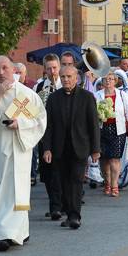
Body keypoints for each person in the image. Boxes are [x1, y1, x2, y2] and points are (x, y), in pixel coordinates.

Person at [0, 56, 46, 249]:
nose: (1, 72)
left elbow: (40, 121)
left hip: (19, 148)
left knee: (17, 191)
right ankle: (1, 235)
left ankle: (19, 232)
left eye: (4, 68)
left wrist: (19, 123)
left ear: (13, 69)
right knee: (0, 191)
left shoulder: (26, 94)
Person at [44, 66, 100, 228]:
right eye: (63, 77)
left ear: (76, 78)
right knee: (63, 183)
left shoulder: (87, 97)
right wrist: (47, 148)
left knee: (76, 181)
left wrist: (96, 149)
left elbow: (93, 124)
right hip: (59, 148)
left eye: (69, 76)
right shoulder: (53, 98)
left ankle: (75, 216)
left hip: (80, 147)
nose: (66, 79)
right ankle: (69, 214)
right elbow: (49, 126)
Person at [94, 70, 128, 197]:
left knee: (115, 158)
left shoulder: (122, 95)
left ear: (115, 81)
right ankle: (107, 182)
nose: (108, 81)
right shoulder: (97, 95)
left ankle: (115, 185)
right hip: (101, 130)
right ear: (102, 81)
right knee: (104, 159)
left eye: (111, 79)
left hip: (118, 130)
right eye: (105, 79)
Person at [34, 54, 63, 218]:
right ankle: (54, 204)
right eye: (49, 68)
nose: (52, 72)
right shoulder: (39, 87)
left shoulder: (65, 83)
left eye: (55, 68)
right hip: (45, 133)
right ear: (44, 69)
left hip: (63, 133)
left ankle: (60, 205)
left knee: (61, 170)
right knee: (48, 172)